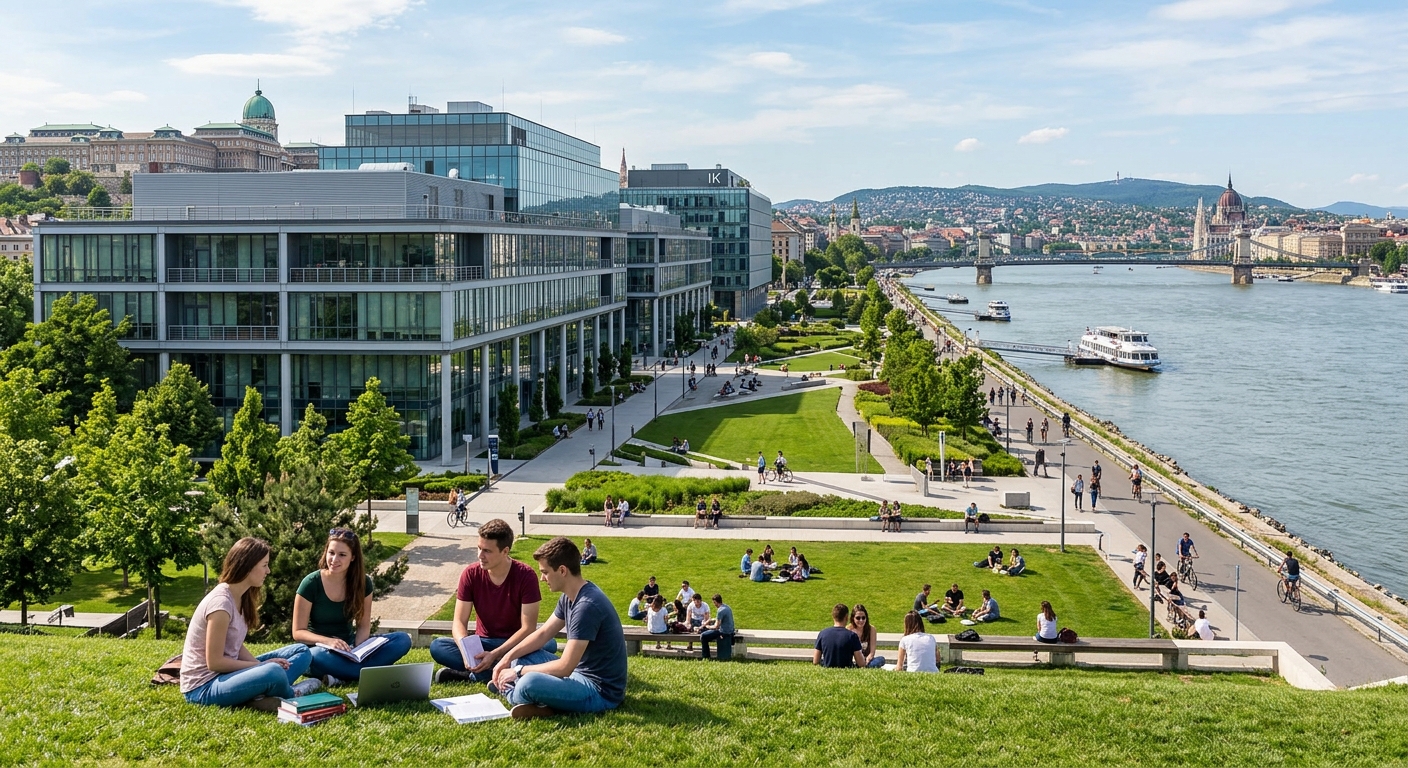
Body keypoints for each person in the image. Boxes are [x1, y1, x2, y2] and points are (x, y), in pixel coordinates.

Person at [491, 537, 628, 719]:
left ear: (562, 570)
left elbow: (565, 667)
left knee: (529, 682)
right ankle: (537, 700)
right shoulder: (570, 596)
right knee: (521, 656)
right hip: (578, 675)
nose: (542, 578)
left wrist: (517, 671)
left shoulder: (587, 605)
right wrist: (507, 658)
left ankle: (511, 691)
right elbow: (543, 634)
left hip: (599, 691)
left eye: (545, 572)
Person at [181, 537, 320, 709]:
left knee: (302, 651)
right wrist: (261, 667)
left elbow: (235, 646)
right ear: (247, 566)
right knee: (274, 671)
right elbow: (215, 663)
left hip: (228, 674)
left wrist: (258, 670)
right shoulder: (221, 604)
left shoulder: (241, 597)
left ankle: (258, 691)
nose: (268, 571)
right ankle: (291, 694)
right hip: (204, 687)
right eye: (264, 565)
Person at [432, 519, 562, 684]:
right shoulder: (470, 574)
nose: (480, 555)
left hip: (516, 643)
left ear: (505, 551)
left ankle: (472, 675)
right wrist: (466, 651)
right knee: (439, 647)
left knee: (548, 644)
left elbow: (528, 628)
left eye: (487, 551)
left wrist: (496, 654)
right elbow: (459, 622)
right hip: (483, 643)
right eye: (479, 548)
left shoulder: (525, 576)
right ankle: (505, 670)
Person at [294, 528, 412, 686]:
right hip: (319, 650)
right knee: (314, 656)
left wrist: (359, 650)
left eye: (342, 555)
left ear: (353, 558)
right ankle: (365, 673)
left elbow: (363, 626)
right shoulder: (310, 583)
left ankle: (346, 673)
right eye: (331, 553)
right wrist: (329, 642)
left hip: (349, 649)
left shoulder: (363, 583)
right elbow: (298, 632)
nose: (334, 559)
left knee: (402, 640)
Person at [813, 603, 866, 669]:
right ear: (846, 617)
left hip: (827, 666)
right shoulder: (852, 636)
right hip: (847, 668)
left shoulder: (823, 633)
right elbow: (861, 663)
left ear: (833, 616)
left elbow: (815, 661)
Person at [847, 604, 886, 668]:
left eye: (863, 617)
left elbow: (872, 652)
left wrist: (868, 659)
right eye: (858, 618)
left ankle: (865, 667)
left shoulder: (871, 629)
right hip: (853, 661)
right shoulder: (848, 630)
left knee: (881, 659)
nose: (861, 620)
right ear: (853, 618)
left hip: (867, 660)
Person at [700, 594, 735, 660]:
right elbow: (721, 620)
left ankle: (706, 656)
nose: (714, 604)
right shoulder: (727, 607)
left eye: (714, 603)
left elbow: (716, 626)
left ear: (716, 602)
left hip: (723, 632)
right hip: (730, 630)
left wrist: (707, 626)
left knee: (703, 636)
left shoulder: (720, 611)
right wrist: (712, 620)